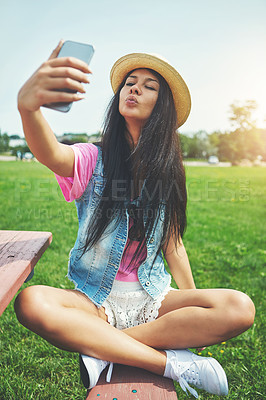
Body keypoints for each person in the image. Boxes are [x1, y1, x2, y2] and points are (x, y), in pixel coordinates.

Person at [15, 40, 255, 398]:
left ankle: (104, 351)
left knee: (239, 307)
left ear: (162, 106)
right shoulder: (92, 160)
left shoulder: (167, 171)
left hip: (153, 299)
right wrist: (28, 108)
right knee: (31, 302)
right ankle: (170, 363)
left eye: (149, 85)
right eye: (130, 82)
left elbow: (172, 243)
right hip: (96, 302)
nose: (135, 88)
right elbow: (52, 153)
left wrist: (192, 303)